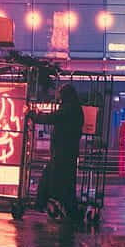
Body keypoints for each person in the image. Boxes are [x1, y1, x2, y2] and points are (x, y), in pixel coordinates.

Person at [31, 84, 85, 218]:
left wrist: (34, 115)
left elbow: (52, 118)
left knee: (52, 177)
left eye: (60, 93)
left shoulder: (69, 109)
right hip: (68, 151)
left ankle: (44, 203)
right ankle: (67, 208)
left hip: (62, 152)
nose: (58, 96)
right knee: (65, 181)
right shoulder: (75, 108)